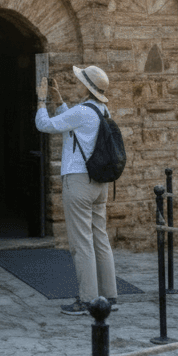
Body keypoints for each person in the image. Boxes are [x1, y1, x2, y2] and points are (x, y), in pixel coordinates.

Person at [35, 64, 118, 316]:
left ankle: (87, 299)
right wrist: (59, 102)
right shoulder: (103, 111)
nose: (76, 83)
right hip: (98, 183)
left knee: (81, 243)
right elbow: (75, 129)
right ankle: (109, 296)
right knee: (99, 238)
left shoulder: (83, 111)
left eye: (80, 80)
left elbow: (45, 125)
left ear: (87, 87)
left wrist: (41, 101)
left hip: (78, 181)